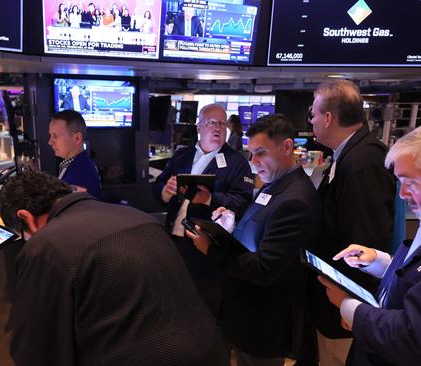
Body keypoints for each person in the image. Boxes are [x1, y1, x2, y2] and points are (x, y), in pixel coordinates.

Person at [0, 172, 228, 366]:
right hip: (210, 351)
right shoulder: (139, 217)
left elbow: (35, 346)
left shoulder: (47, 244)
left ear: (25, 218)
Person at [319, 119, 421, 365]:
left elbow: (418, 338)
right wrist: (379, 262)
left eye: (410, 182)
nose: (402, 194)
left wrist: (349, 307)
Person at [186, 114, 322, 366]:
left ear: (287, 147)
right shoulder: (275, 184)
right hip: (245, 313)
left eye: (260, 153)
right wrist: (232, 225)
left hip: (264, 322)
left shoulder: (296, 199)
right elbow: (260, 232)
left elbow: (264, 269)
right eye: (251, 153)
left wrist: (210, 249)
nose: (254, 162)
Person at [308, 79, 395, 365]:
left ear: (329, 117)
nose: (312, 121)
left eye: (313, 114)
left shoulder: (362, 161)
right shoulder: (349, 154)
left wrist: (352, 304)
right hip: (334, 294)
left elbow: (366, 239)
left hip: (344, 301)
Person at [153, 103, 253, 315]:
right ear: (199, 127)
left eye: (222, 123)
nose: (218, 128)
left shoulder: (237, 162)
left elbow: (243, 201)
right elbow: (158, 185)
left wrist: (210, 199)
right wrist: (166, 191)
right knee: (173, 296)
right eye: (211, 123)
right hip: (174, 240)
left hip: (206, 244)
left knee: (203, 303)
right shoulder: (182, 155)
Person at [48, 109, 102, 199]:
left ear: (77, 138)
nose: (50, 142)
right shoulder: (73, 165)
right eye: (50, 135)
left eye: (55, 136)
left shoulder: (83, 173)